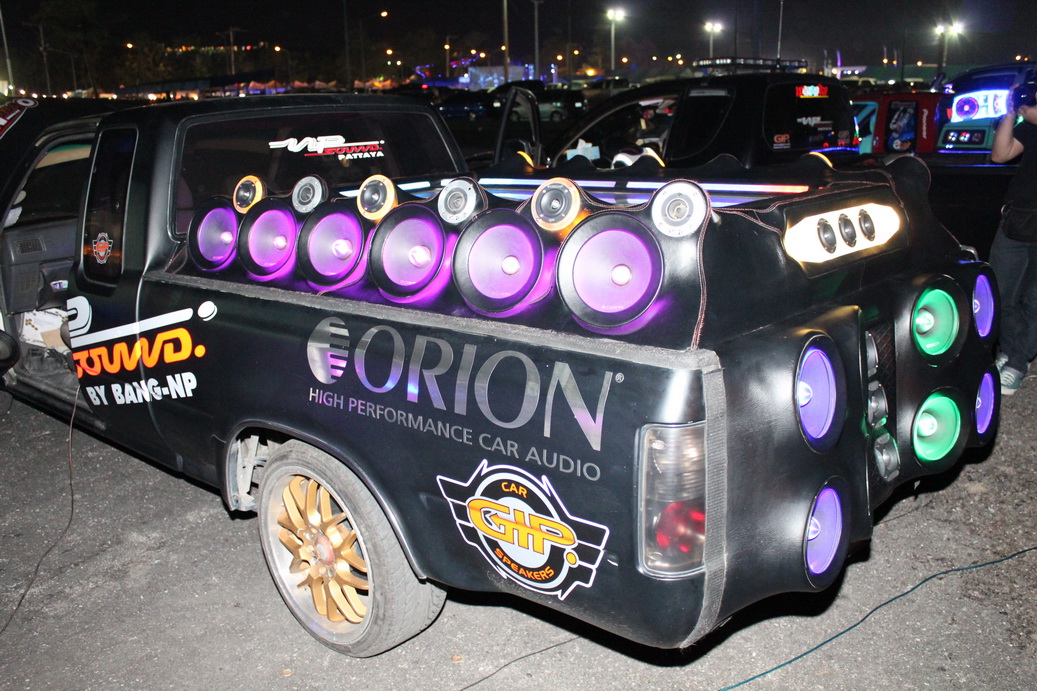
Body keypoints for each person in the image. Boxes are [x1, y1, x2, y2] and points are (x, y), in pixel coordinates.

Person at [988, 75, 1037, 395]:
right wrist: (1010, 113)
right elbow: (1000, 154)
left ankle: (1018, 362)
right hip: (1017, 219)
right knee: (1002, 292)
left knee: (1034, 299)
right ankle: (1010, 348)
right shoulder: (1029, 128)